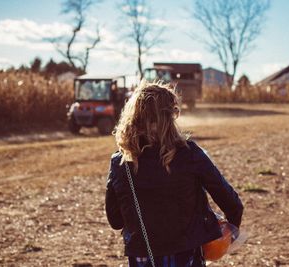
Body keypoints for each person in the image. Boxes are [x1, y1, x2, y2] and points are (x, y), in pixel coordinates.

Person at [105, 81, 244, 267]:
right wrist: (228, 233)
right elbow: (231, 202)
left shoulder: (120, 162)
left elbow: (115, 220)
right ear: (170, 117)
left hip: (143, 257)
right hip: (186, 255)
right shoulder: (190, 154)